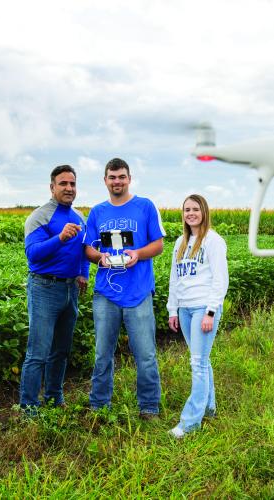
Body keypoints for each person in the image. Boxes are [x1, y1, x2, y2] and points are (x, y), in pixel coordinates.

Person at [85, 158, 165, 419]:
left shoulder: (145, 207)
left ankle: (149, 407)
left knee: (145, 354)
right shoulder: (97, 212)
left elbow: (158, 245)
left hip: (138, 291)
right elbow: (88, 248)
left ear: (129, 178)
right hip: (106, 293)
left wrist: (137, 254)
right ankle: (98, 405)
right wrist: (100, 257)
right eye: (112, 177)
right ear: (105, 180)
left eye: (121, 177)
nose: (116, 181)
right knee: (102, 354)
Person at [19, 164, 89, 414]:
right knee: (38, 352)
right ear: (52, 187)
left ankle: (54, 397)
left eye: (72, 184)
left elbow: (83, 250)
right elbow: (33, 254)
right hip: (44, 288)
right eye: (63, 184)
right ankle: (28, 406)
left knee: (61, 350)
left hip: (70, 290)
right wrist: (59, 238)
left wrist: (83, 274)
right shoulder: (39, 217)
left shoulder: (80, 217)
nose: (69, 188)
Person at [166, 194, 229, 437]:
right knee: (202, 360)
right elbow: (175, 278)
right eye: (186, 210)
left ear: (204, 212)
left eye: (195, 209)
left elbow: (220, 279)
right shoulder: (181, 243)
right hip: (185, 308)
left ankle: (190, 422)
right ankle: (209, 408)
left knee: (198, 364)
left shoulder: (213, 241)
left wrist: (211, 312)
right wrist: (173, 309)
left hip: (204, 307)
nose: (190, 213)